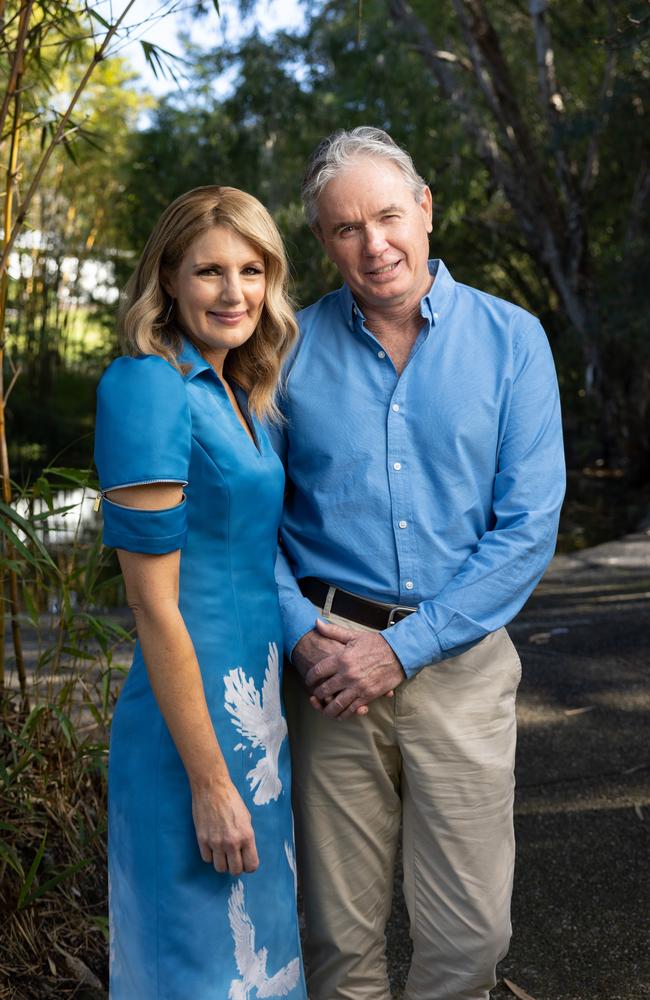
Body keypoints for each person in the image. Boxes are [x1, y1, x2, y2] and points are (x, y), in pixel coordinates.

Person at [272, 128, 566, 1000]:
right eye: (346, 228)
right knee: (338, 940)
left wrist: (402, 650)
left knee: (474, 935)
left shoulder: (514, 342)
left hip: (463, 667)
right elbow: (250, 521)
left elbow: (527, 529)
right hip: (326, 669)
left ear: (426, 208)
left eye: (389, 215)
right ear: (322, 243)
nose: (375, 244)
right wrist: (299, 634)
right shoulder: (286, 348)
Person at [94, 186, 307, 999]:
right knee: (202, 973)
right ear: (169, 279)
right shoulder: (148, 387)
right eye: (209, 270)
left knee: (262, 968)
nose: (234, 292)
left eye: (252, 270)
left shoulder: (238, 392)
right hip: (192, 743)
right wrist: (212, 782)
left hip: (258, 730)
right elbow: (154, 606)